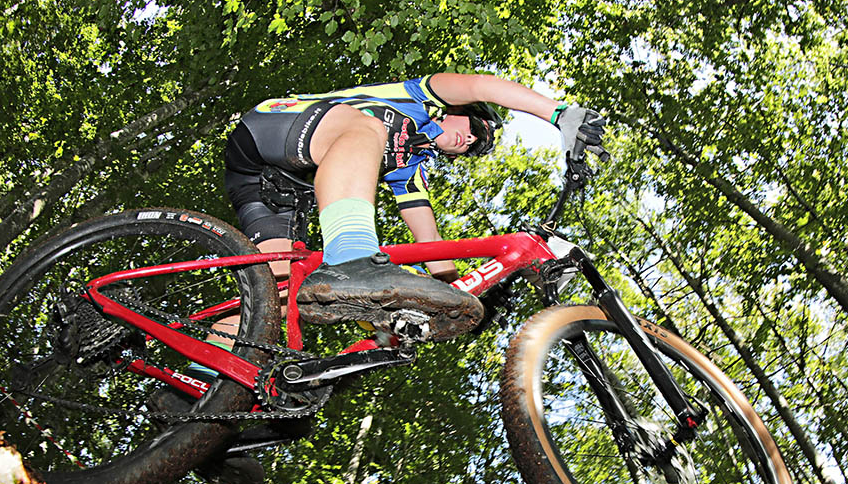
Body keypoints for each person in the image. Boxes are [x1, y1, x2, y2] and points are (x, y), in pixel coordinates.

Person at [223, 72, 608, 341]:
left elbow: (432, 248)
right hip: (273, 125)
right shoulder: (420, 96)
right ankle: (351, 258)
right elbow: (483, 85)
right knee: (366, 128)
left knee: (271, 299)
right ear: (456, 108)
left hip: (271, 186)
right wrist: (559, 114)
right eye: (473, 127)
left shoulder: (409, 168)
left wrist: (471, 298)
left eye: (473, 146)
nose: (468, 140)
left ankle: (201, 397)